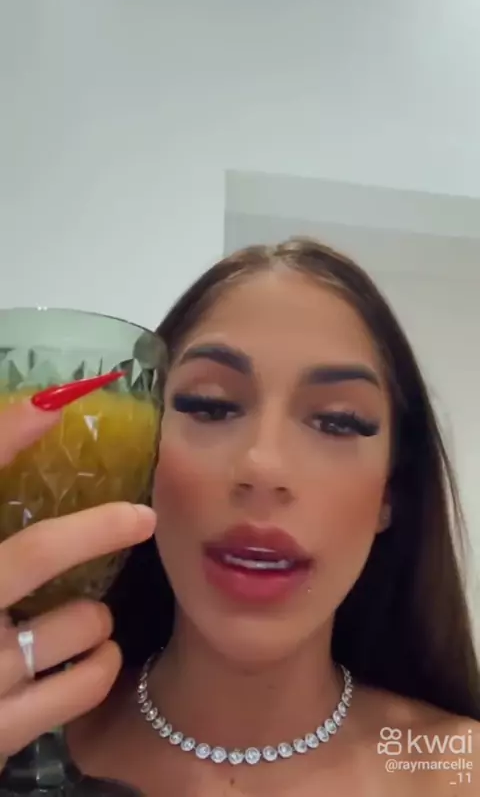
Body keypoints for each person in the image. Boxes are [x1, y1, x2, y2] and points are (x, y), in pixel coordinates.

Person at [0, 237, 479, 796]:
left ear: (390, 493)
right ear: (142, 451)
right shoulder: (22, 751)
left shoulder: (460, 769)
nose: (262, 465)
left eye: (337, 421)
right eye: (211, 406)